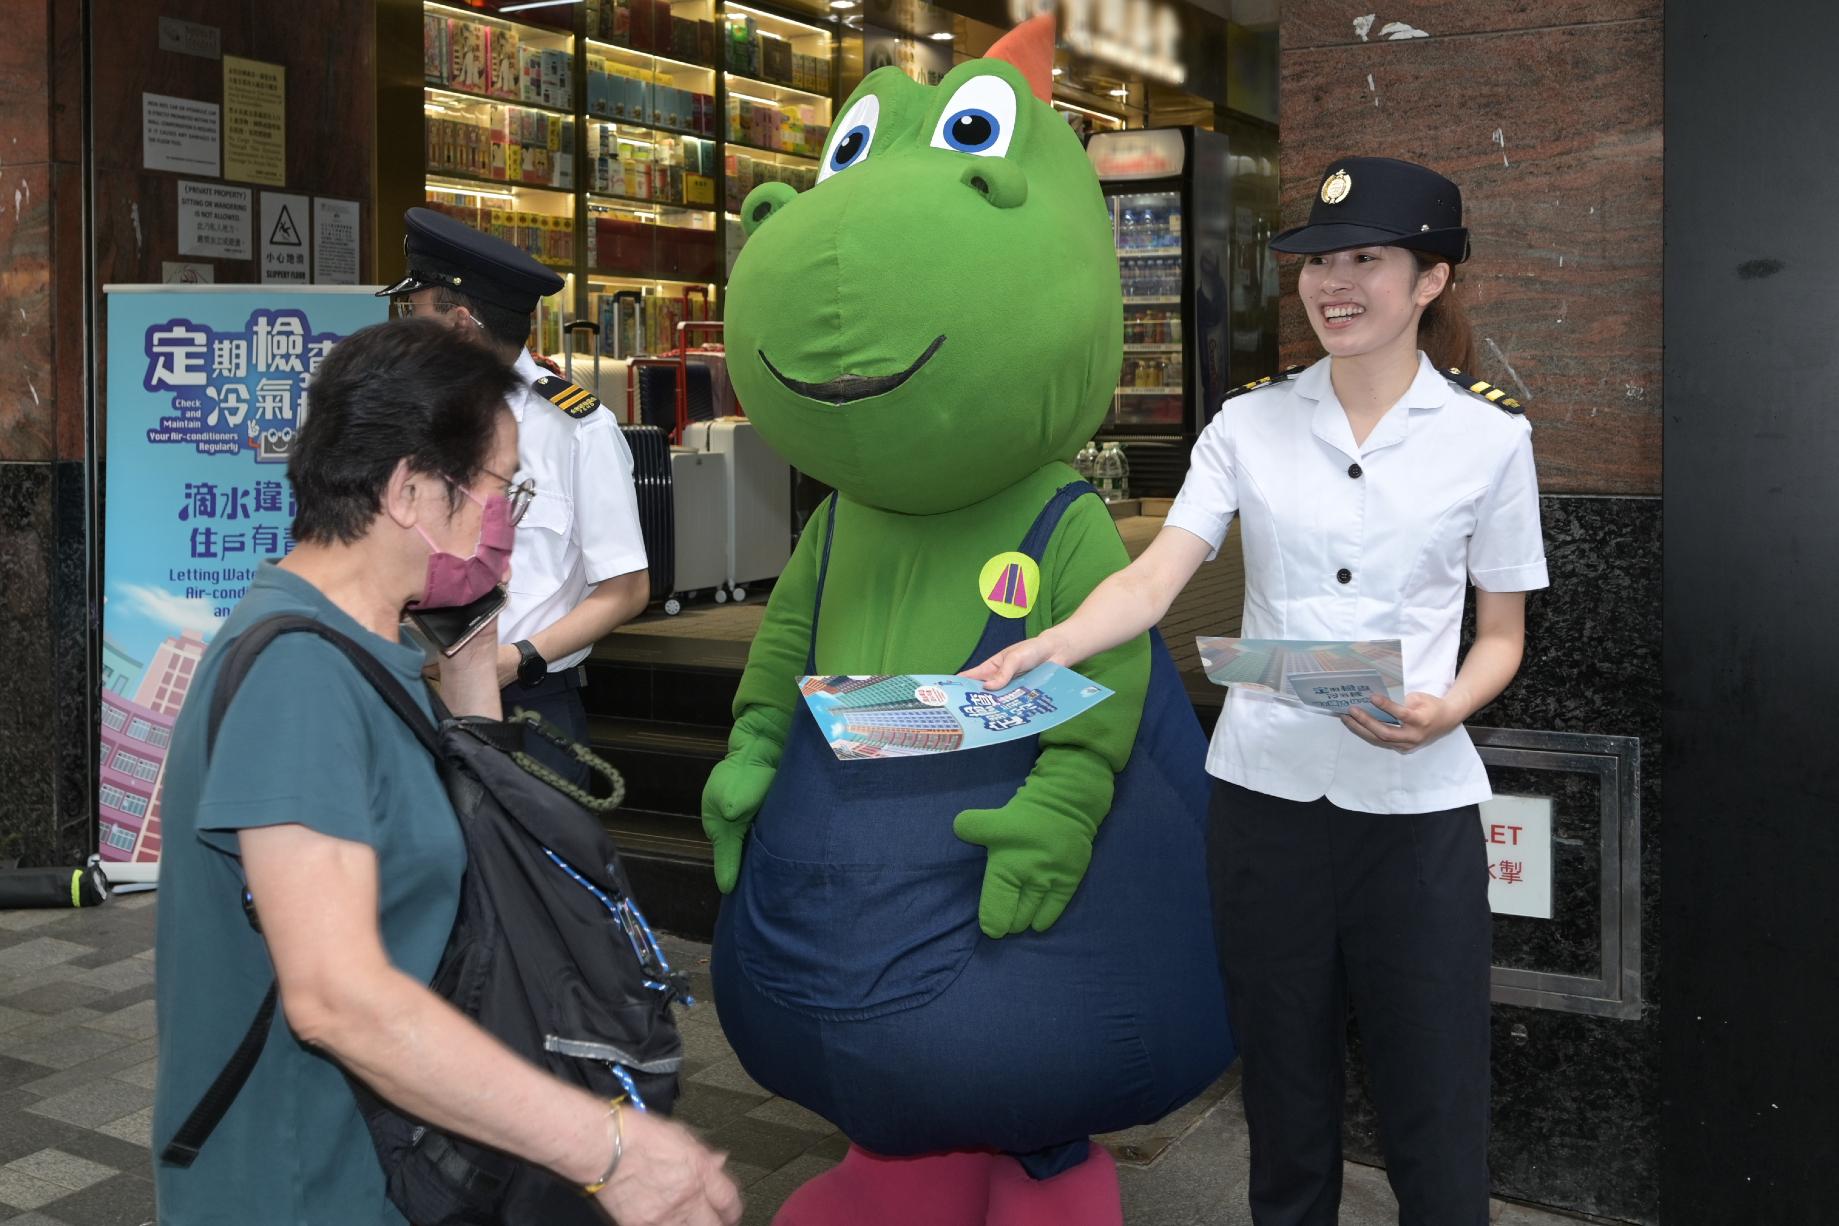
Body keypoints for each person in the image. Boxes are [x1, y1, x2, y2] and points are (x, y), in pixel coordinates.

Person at [967, 156, 1549, 1224]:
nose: (1334, 281)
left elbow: (1502, 635)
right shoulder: (1248, 423)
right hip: (1264, 802)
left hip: (1416, 813)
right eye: (1318, 259)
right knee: (1283, 1088)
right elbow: (1153, 576)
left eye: (1366, 258)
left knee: (1436, 1089)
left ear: (1430, 279)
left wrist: (1448, 708)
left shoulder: (1490, 439)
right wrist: (1050, 640)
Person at [151, 317, 740, 1226]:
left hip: (398, 1168)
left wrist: (470, 678)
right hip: (305, 1184)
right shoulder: (298, 678)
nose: (513, 514)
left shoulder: (375, 645)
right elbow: (338, 1000)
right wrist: (608, 1151)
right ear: (413, 490)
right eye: (505, 485)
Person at [380, 208, 649, 784]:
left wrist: (518, 659)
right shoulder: (413, 416)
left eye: (415, 311)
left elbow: (626, 589)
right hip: (416, 694)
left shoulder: (578, 428)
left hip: (531, 702)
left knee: (530, 872)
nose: (405, 327)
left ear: (458, 323)